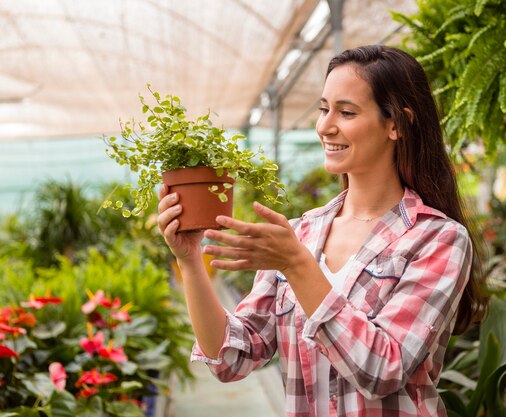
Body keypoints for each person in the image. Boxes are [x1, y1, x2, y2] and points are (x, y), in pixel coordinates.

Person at [157, 45, 487, 417]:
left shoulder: (437, 239)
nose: (324, 126)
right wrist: (190, 262)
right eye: (323, 109)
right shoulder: (301, 233)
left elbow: (384, 369)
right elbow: (232, 358)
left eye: (346, 112)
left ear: (396, 124)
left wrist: (298, 267)